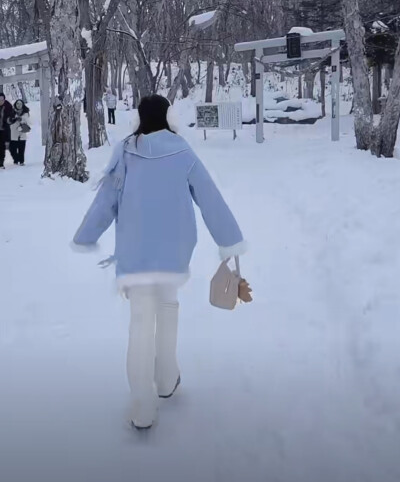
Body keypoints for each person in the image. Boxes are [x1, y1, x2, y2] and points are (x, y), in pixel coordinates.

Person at [72, 95, 246, 429]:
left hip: (135, 253)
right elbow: (209, 197)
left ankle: (141, 404)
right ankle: (167, 380)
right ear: (169, 117)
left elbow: (106, 198)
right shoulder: (182, 151)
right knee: (168, 307)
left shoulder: (125, 151)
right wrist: (229, 239)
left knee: (140, 321)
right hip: (174, 251)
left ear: (138, 119)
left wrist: (86, 235)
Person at [9, 99, 31, 166]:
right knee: (12, 149)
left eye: (20, 104)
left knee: (21, 148)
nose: (19, 105)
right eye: (17, 104)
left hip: (22, 132)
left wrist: (21, 119)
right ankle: (16, 159)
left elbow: (28, 121)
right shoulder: (12, 112)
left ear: (22, 105)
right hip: (13, 133)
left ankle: (21, 161)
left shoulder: (26, 113)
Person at [0, 92, 13, 169]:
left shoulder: (8, 106)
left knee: (1, 147)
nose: (0, 101)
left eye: (2, 99)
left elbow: (11, 116)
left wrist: (9, 120)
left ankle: (1, 163)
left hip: (3, 130)